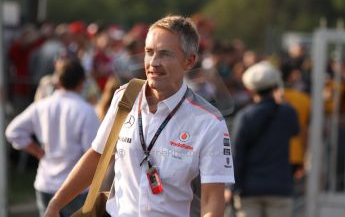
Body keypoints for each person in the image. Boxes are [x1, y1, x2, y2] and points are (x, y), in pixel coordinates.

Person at [45, 15, 235, 217]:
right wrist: (56, 204)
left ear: (189, 61)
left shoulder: (209, 122)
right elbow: (98, 155)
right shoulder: (125, 98)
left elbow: (212, 200)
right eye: (149, 52)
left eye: (165, 54)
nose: (153, 62)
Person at [5, 58, 100, 217]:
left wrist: (36, 151)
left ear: (58, 80)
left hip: (45, 182)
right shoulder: (86, 111)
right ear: (81, 83)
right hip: (75, 188)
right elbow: (91, 152)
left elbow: (13, 131)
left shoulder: (41, 106)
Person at [232, 61, 299, 217]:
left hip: (249, 189)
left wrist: (232, 187)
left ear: (250, 89)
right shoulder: (288, 113)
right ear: (275, 86)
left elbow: (237, 154)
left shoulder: (245, 116)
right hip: (280, 187)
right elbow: (294, 131)